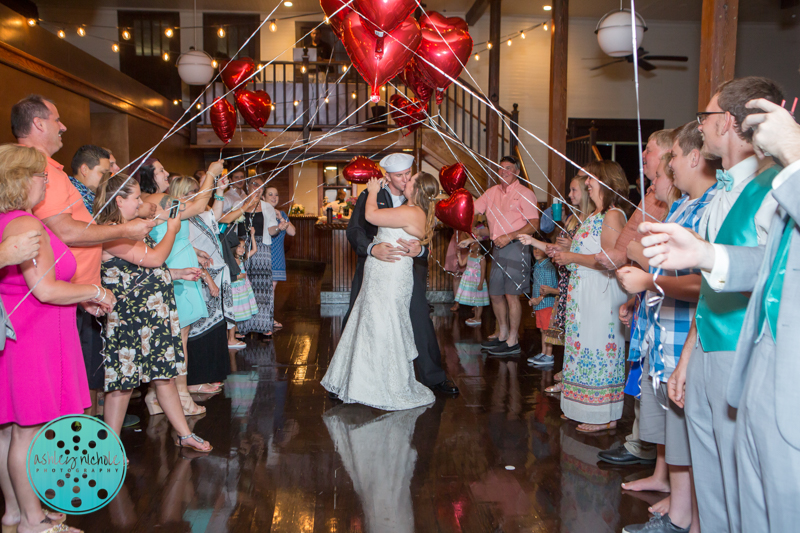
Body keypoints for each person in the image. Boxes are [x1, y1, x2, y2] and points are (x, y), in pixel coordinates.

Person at [640, 97, 800, 532]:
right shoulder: (740, 187)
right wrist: (706, 255)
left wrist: (796, 155)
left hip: (763, 361)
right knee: (721, 481)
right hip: (720, 344)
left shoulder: (774, 182)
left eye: (706, 117)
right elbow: (759, 262)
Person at [13, 95, 155, 419]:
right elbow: (65, 231)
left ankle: (75, 447)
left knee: (71, 389)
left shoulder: (49, 170)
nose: (63, 126)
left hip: (71, 294)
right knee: (44, 405)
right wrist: (123, 232)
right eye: (56, 119)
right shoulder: (36, 171)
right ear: (38, 123)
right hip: (54, 298)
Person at [0, 144, 116, 533]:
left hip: (22, 335)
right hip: (35, 336)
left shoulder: (9, 221)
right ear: (21, 180)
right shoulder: (26, 225)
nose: (45, 182)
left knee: (12, 431)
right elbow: (45, 290)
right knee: (29, 431)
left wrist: (81, 301)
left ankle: (16, 513)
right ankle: (35, 522)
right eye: (41, 176)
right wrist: (94, 293)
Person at [617, 125, 717, 533]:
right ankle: (680, 509)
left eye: (672, 155)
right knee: (673, 437)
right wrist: (638, 293)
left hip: (683, 342)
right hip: (663, 341)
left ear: (694, 157)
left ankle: (684, 519)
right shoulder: (682, 208)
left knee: (688, 437)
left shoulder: (709, 208)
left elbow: (703, 285)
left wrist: (647, 282)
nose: (668, 164)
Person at [94, 174, 212, 453]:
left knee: (164, 377)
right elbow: (155, 257)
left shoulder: (129, 228)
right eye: (136, 197)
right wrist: (172, 228)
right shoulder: (111, 232)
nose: (141, 202)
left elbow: (143, 271)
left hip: (151, 316)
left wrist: (175, 273)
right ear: (120, 201)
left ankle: (185, 434)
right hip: (129, 319)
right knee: (123, 385)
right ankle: (111, 448)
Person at [321, 174, 439, 410]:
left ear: (416, 190)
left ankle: (381, 384)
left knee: (384, 324)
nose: (406, 181)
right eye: (404, 177)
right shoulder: (415, 209)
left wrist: (372, 190)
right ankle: (359, 379)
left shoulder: (410, 210)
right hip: (383, 274)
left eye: (410, 180)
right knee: (372, 323)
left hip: (390, 275)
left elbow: (371, 215)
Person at [596, 129, 677, 476]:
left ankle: (646, 448)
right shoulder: (651, 195)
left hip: (662, 300)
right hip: (644, 296)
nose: (642, 157)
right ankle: (641, 443)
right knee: (643, 375)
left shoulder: (667, 199)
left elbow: (651, 256)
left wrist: (626, 255)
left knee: (655, 380)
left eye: (649, 152)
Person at [344, 153, 458, 395]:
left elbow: (424, 234)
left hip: (408, 269)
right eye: (400, 176)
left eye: (408, 174)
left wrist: (420, 250)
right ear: (388, 176)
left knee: (419, 320)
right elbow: (355, 230)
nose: (406, 180)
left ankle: (434, 378)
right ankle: (348, 376)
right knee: (359, 315)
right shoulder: (371, 195)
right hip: (374, 268)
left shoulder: (418, 202)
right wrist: (372, 249)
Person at [137, 156, 224, 416]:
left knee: (172, 337)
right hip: (175, 273)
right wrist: (210, 173)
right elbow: (198, 207)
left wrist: (195, 251)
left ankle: (155, 397)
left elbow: (172, 236)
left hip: (180, 264)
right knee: (179, 339)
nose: (167, 173)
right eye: (161, 170)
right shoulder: (158, 200)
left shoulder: (158, 202)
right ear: (150, 176)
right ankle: (183, 397)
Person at [551, 160, 629, 432]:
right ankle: (581, 405)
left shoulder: (613, 215)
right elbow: (590, 249)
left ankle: (604, 416)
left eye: (591, 178)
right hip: (584, 293)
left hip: (601, 294)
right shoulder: (595, 215)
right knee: (581, 348)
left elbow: (608, 259)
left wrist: (571, 255)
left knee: (598, 348)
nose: (586, 183)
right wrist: (568, 250)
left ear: (606, 181)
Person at [520, 173, 594, 373]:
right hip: (567, 280)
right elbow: (556, 247)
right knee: (569, 328)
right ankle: (568, 370)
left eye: (573, 190)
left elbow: (597, 254)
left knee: (580, 328)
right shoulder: (571, 219)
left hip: (583, 280)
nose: (569, 195)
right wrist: (533, 241)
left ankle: (573, 371)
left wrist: (572, 246)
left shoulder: (592, 220)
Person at [469, 155, 540, 356]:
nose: (504, 171)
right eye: (501, 168)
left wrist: (510, 236)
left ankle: (513, 340)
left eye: (508, 168)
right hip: (497, 248)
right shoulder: (491, 193)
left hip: (517, 246)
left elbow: (534, 223)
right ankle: (502, 334)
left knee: (511, 295)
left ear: (517, 172)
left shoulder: (525, 193)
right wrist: (470, 224)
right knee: (495, 293)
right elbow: (473, 209)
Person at [172, 176, 234, 394]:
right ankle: (194, 380)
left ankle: (210, 374)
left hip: (210, 271)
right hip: (192, 274)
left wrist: (220, 191)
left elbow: (214, 216)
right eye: (188, 192)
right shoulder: (179, 216)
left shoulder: (198, 214)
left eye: (196, 191)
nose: (193, 196)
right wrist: (205, 273)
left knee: (214, 326)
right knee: (196, 329)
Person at [238, 176, 278, 339]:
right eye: (255, 185)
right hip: (242, 248)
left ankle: (263, 325)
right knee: (243, 285)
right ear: (248, 187)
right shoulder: (239, 204)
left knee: (263, 286)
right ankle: (244, 326)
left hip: (262, 248)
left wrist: (279, 227)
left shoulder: (267, 207)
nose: (258, 188)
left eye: (262, 187)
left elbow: (271, 231)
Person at [265, 187, 295, 329]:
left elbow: (293, 232)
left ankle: (268, 317)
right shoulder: (261, 212)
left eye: (276, 194)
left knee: (272, 287)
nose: (274, 197)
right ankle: (263, 318)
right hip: (264, 253)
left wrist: (282, 219)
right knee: (262, 288)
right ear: (263, 197)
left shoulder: (281, 213)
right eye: (270, 194)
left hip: (277, 254)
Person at [527, 247, 558, 366]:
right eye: (535, 249)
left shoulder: (548, 267)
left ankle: (549, 354)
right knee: (542, 329)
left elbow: (549, 287)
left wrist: (539, 299)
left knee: (547, 329)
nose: (536, 251)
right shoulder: (537, 266)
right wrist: (533, 299)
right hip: (539, 304)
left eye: (540, 249)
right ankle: (543, 352)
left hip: (546, 304)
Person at [229, 235, 259, 343]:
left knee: (237, 313)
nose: (242, 249)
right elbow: (231, 276)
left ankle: (234, 333)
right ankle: (231, 337)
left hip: (242, 289)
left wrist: (252, 235)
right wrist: (241, 276)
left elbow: (254, 250)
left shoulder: (241, 258)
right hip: (236, 290)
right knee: (234, 313)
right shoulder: (232, 260)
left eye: (243, 247)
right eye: (239, 247)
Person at [454, 240, 489, 326]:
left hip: (477, 280)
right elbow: (462, 263)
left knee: (479, 300)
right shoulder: (469, 255)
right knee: (474, 299)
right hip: (469, 281)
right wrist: (459, 255)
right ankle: (475, 316)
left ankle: (478, 317)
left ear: (480, 247)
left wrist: (481, 283)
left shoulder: (481, 258)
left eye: (475, 243)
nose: (472, 245)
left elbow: (483, 271)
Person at [444, 230, 467, 312]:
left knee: (472, 274)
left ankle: (475, 303)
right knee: (456, 275)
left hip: (468, 238)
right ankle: (457, 302)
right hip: (456, 241)